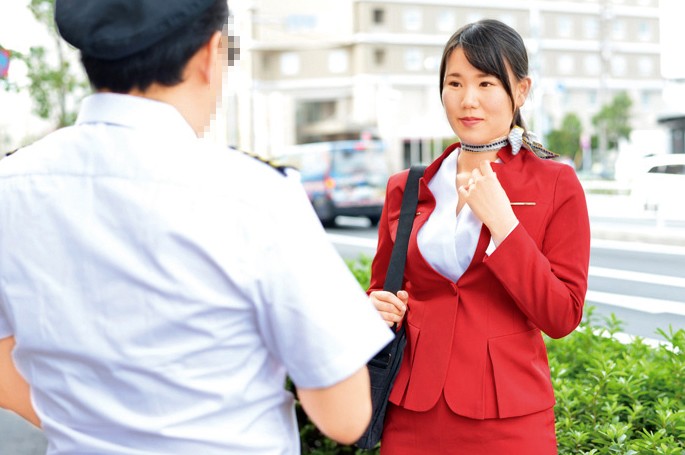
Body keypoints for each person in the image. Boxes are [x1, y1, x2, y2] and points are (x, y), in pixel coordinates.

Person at [0, 1, 393, 453]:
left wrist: (93, 425)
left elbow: (6, 374)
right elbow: (344, 416)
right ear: (210, 53)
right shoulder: (256, 192)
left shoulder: (11, 186)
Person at [369, 19, 590, 454]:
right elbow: (381, 290)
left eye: (486, 83)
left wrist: (504, 226)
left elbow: (562, 315)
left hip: (509, 420)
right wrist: (373, 307)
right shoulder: (406, 187)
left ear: (521, 91)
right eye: (455, 83)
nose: (468, 99)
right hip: (411, 415)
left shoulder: (556, 183)